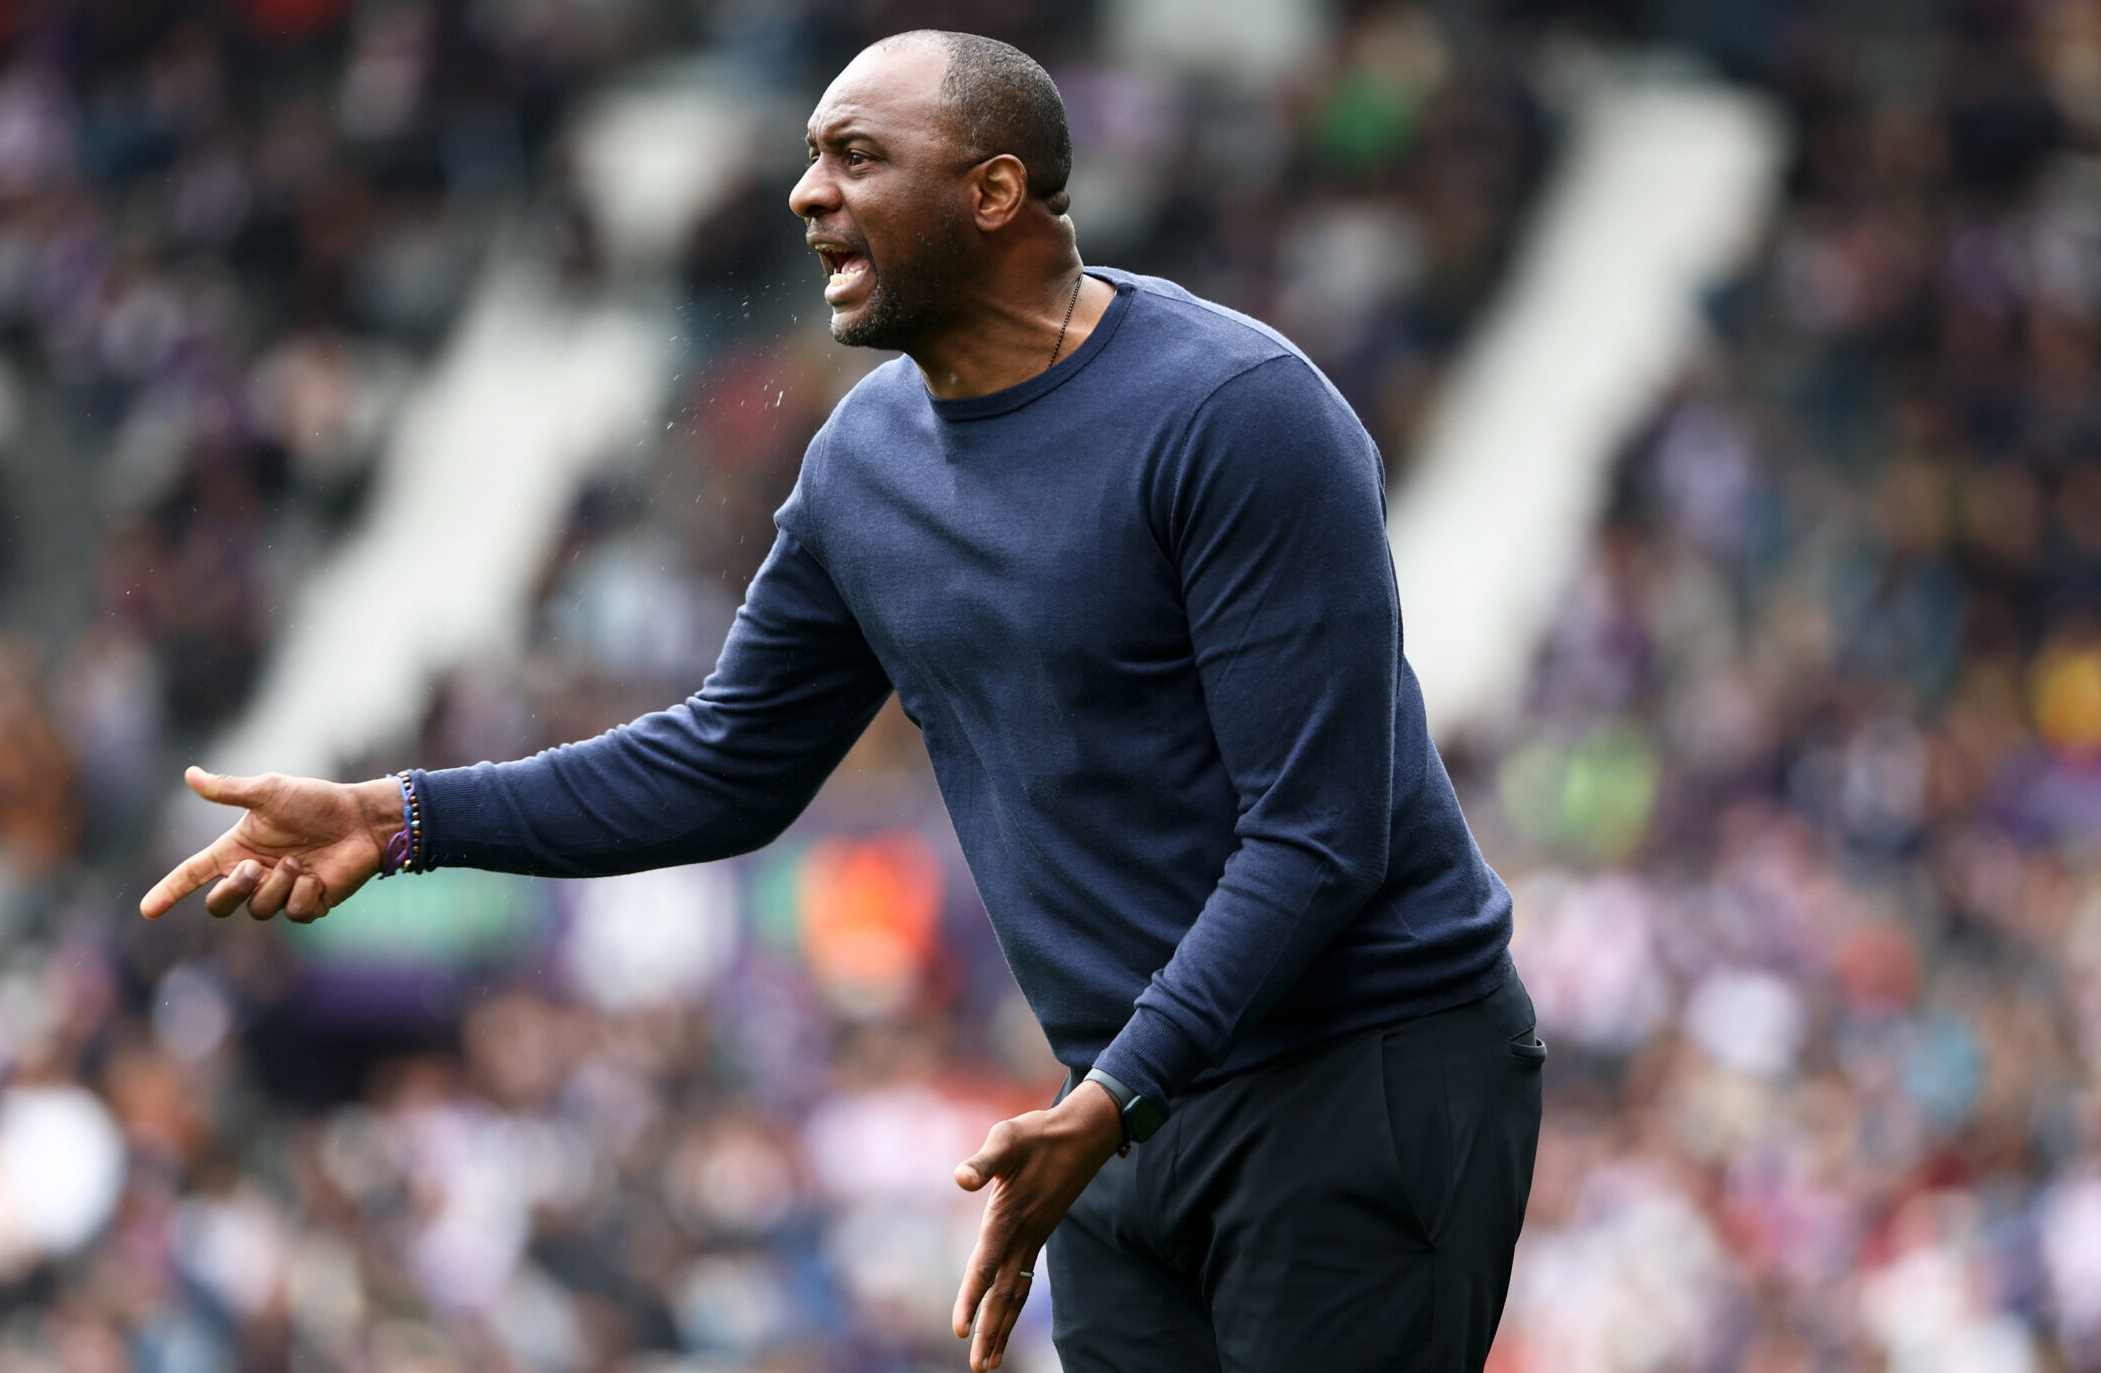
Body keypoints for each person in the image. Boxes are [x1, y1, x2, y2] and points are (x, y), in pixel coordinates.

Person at [140, 31, 1542, 1372]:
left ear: (996, 192)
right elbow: (726, 762)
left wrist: (1115, 1093)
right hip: (1118, 1109)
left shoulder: (1238, 415)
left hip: (1358, 1066)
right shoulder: (864, 460)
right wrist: (400, 817)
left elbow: (1316, 835)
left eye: (857, 156)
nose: (808, 193)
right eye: (812, 156)